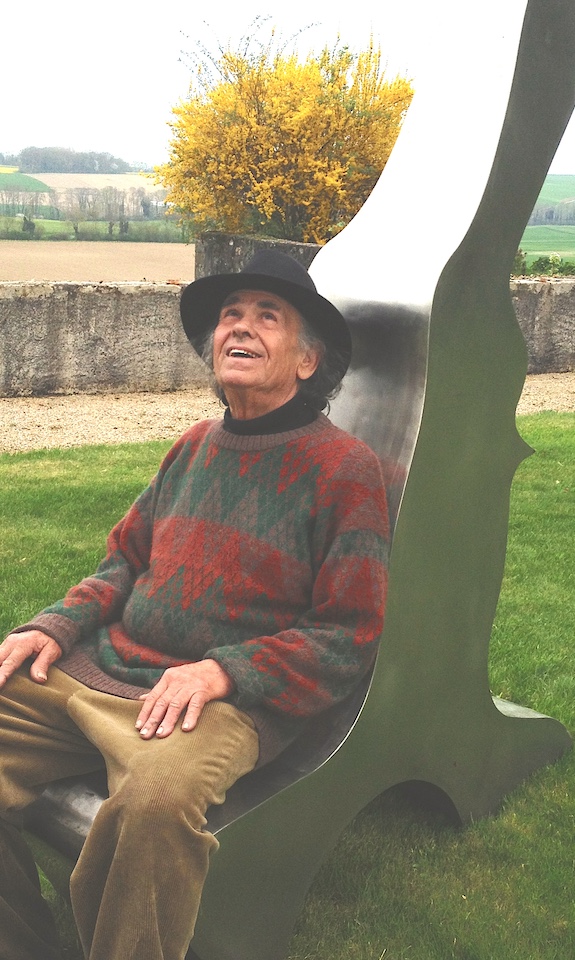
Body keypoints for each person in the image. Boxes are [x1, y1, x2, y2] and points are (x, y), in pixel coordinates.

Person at [0, 250, 390, 960]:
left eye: (266, 317)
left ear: (307, 361)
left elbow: (348, 634)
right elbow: (124, 562)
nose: (238, 328)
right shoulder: (192, 446)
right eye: (229, 316)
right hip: (104, 670)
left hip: (216, 705)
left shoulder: (344, 470)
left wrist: (222, 673)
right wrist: (55, 625)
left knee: (154, 809)